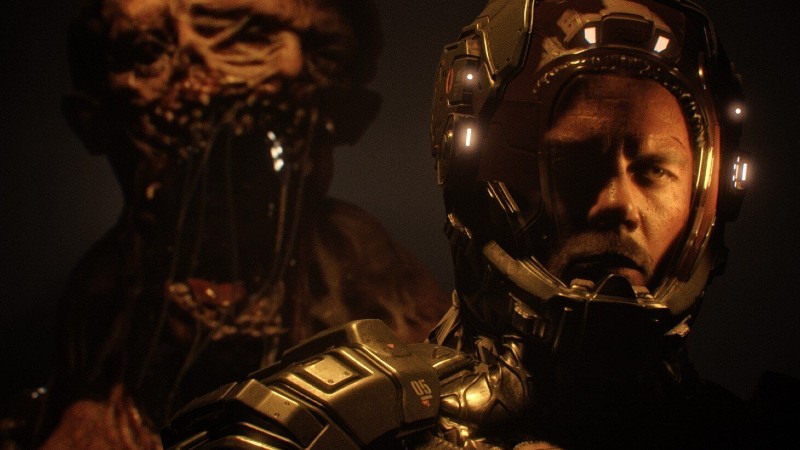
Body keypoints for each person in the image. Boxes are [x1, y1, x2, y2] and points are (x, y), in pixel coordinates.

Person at [162, 0, 763, 448]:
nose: (619, 203)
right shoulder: (324, 429)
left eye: (655, 170)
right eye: (575, 165)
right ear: (479, 182)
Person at [0, 0, 450, 448]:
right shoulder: (102, 303)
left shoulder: (363, 268)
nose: (289, 64)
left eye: (322, 54)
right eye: (233, 32)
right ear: (93, 122)